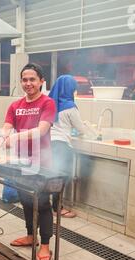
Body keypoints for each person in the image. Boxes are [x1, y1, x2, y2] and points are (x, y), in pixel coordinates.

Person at [0, 63, 56, 260]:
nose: (28, 83)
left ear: (41, 81)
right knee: (26, 201)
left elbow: (41, 131)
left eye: (32, 79)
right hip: (20, 163)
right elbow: (6, 127)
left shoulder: (47, 103)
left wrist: (15, 138)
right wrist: (0, 136)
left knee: (43, 204)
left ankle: (45, 244)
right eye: (24, 79)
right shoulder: (15, 105)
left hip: (43, 163)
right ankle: (31, 236)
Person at [49, 75, 87, 218]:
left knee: (50, 175)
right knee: (61, 177)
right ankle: (57, 208)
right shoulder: (70, 106)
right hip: (61, 146)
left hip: (47, 144)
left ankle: (48, 205)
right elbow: (81, 129)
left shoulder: (49, 103)